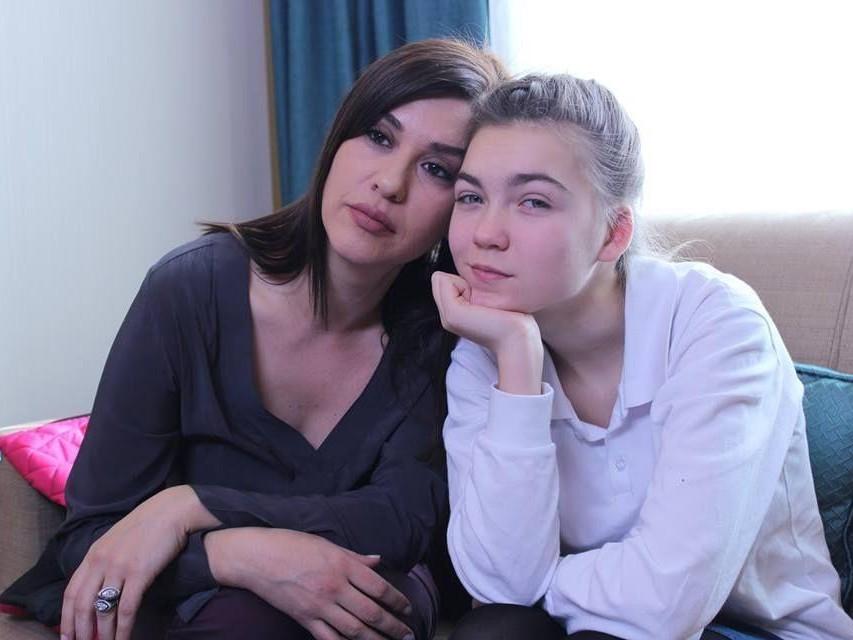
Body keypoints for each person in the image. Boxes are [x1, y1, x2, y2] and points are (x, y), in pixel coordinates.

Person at [0, 39, 506, 640]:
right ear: (338, 136)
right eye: (378, 137)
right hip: (198, 603)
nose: (389, 183)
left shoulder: (447, 327)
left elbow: (402, 519)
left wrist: (191, 506)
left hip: (369, 588)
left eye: (437, 169)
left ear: (464, 204)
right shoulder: (190, 290)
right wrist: (238, 554)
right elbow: (93, 537)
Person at [432, 74, 853, 640]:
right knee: (497, 633)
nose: (485, 233)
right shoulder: (485, 352)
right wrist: (517, 361)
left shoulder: (716, 322)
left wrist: (542, 582)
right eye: (471, 197)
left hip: (757, 632)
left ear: (614, 233)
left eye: (533, 201)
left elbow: (668, 603)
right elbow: (498, 587)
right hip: (592, 626)